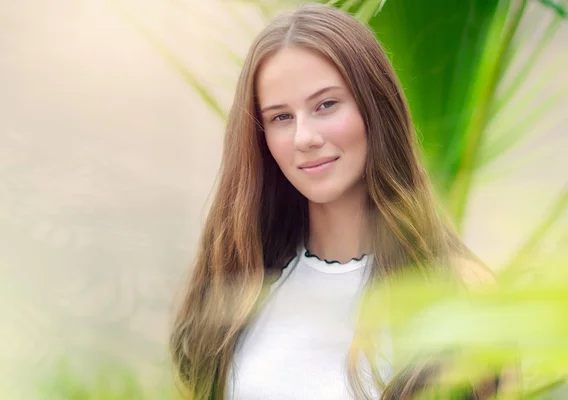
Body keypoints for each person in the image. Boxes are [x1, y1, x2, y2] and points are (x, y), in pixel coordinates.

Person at [169, 3, 502, 399]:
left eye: (325, 105)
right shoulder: (238, 286)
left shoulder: (460, 290)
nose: (304, 137)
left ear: (374, 108)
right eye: (280, 117)